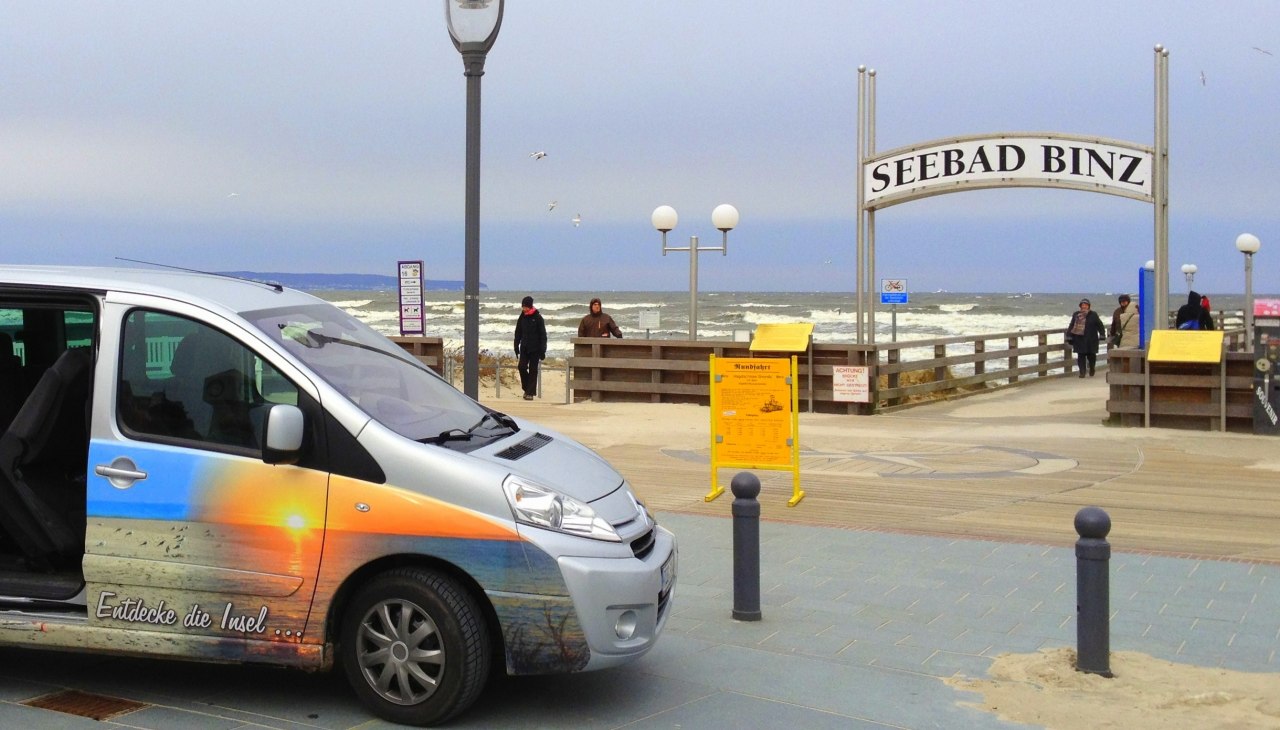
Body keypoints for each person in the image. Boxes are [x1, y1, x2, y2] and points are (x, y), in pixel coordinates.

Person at [513, 295, 547, 400]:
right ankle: (527, 388)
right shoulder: (522, 316)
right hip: (524, 347)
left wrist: (542, 350)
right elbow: (518, 331)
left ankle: (530, 393)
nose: (524, 309)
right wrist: (516, 345)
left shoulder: (538, 317)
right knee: (521, 367)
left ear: (530, 306)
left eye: (525, 307)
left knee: (533, 370)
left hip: (535, 349)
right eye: (523, 307)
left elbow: (543, 335)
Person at [1065, 298, 1106, 377]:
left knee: (1091, 356)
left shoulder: (1093, 314)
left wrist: (1102, 334)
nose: (1084, 306)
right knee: (1081, 356)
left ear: (1088, 306)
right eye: (1082, 305)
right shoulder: (1076, 314)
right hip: (1079, 338)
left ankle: (1092, 368)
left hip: (1091, 339)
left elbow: (1100, 325)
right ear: (1080, 306)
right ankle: (1082, 372)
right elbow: (1072, 325)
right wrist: (1069, 335)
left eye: (1086, 305)